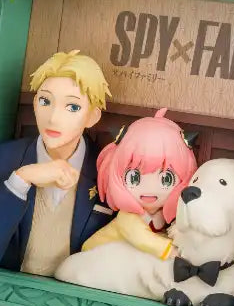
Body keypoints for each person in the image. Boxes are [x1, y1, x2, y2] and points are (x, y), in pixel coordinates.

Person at [0, 49, 113, 281]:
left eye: (72, 107)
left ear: (92, 117)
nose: (53, 118)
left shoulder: (107, 170)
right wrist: (20, 180)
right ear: (34, 104)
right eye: (45, 101)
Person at [79, 108, 198, 260]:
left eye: (166, 179)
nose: (150, 188)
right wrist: (171, 250)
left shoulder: (162, 217)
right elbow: (143, 239)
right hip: (95, 256)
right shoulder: (127, 217)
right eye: (134, 177)